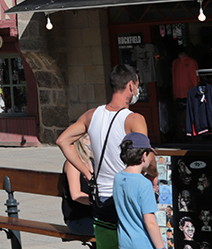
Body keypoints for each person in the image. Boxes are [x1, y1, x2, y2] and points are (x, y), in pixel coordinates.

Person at [56, 64, 148, 249]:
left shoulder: (92, 115)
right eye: (138, 84)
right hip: (126, 197)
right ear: (131, 86)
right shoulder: (134, 119)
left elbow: (62, 140)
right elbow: (146, 160)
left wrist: (86, 173)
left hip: (101, 199)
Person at [113, 133, 164, 249]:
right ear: (144, 156)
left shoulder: (118, 178)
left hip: (124, 243)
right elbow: (150, 223)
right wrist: (162, 247)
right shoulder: (144, 184)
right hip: (143, 244)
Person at [62, 135, 95, 236]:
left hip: (94, 215)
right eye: (89, 138)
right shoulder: (72, 164)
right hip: (78, 218)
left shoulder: (93, 161)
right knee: (109, 231)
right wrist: (97, 202)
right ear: (80, 141)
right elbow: (75, 195)